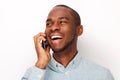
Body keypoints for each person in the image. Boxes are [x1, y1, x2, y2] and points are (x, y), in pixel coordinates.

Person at [22, 4, 114, 80]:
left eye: (62, 22)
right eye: (49, 24)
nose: (53, 28)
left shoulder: (102, 75)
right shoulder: (32, 74)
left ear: (79, 30)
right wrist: (41, 64)